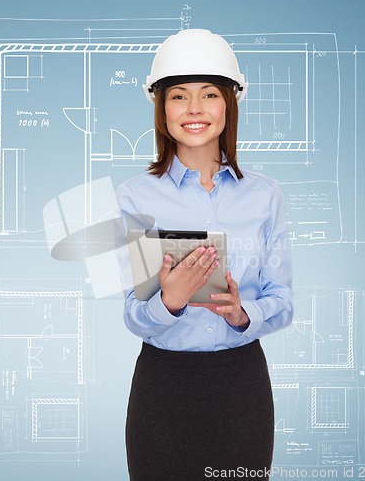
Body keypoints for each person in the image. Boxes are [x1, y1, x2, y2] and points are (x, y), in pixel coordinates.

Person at [116, 29, 293, 481]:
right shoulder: (135, 196)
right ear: (161, 108)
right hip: (163, 387)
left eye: (209, 94)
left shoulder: (265, 196)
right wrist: (170, 300)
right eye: (179, 96)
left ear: (230, 103)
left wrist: (242, 313)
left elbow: (283, 300)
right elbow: (134, 314)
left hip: (241, 387)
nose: (194, 110)